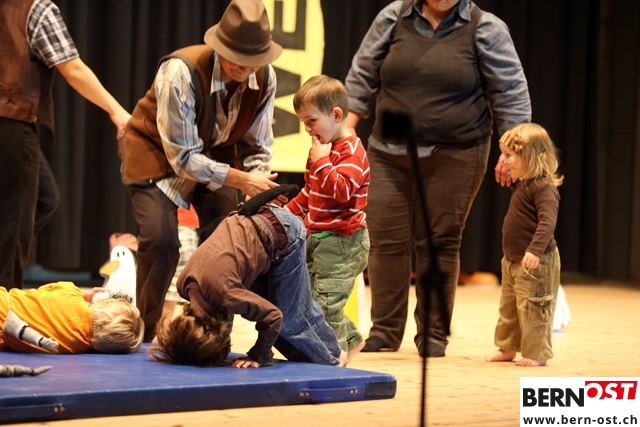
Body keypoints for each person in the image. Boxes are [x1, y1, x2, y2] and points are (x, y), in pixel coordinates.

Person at [344, 0, 531, 357]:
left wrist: (513, 150)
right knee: (384, 239)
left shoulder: (485, 27)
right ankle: (385, 330)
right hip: (389, 151)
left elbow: (510, 93)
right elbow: (363, 73)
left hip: (457, 152)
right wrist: (346, 131)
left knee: (439, 242)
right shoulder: (394, 16)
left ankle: (433, 333)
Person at [120, 0, 283, 342]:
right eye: (237, 58)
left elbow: (258, 147)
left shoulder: (265, 78)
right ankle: (145, 334)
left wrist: (257, 190)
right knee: (162, 243)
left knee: (227, 239)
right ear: (220, 47)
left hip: (216, 157)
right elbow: (182, 158)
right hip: (158, 157)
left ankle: (212, 335)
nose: (246, 68)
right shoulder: (180, 71)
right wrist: (242, 179)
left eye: (254, 60)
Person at [0, 0, 132, 290]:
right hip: (12, 121)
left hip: (12, 121)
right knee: (14, 227)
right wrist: (116, 111)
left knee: (44, 199)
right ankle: (3, 307)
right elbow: (72, 68)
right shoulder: (36, 8)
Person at [148, 186, 347, 369]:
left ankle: (334, 360)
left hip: (284, 233)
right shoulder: (185, 285)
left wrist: (259, 354)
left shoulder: (226, 294)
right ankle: (316, 358)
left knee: (289, 316)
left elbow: (274, 316)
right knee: (272, 319)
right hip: (256, 224)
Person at [285, 75, 369, 361]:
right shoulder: (320, 149)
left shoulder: (352, 152)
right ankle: (352, 341)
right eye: (303, 123)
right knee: (312, 300)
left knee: (326, 303)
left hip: (343, 241)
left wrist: (321, 161)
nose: (308, 129)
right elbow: (310, 192)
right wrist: (286, 214)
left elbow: (343, 191)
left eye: (311, 121)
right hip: (318, 237)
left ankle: (335, 355)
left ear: (336, 114)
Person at [485, 123, 563, 367]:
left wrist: (535, 250)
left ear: (531, 156)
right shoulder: (524, 182)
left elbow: (547, 223)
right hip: (512, 260)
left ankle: (537, 353)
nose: (504, 160)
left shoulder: (544, 188)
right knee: (509, 308)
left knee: (534, 309)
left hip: (535, 262)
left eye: (509, 155)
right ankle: (507, 347)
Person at [1, 281, 144, 354]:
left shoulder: (71, 292)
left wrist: (86, 295)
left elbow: (44, 290)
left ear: (104, 302)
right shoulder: (79, 347)